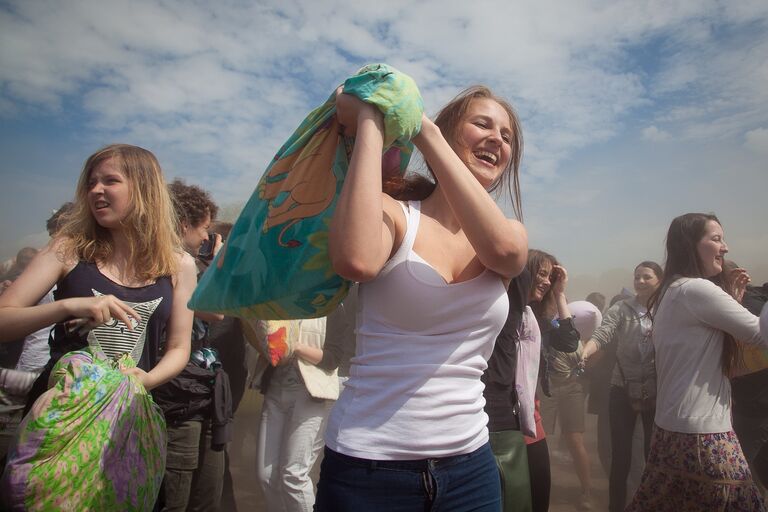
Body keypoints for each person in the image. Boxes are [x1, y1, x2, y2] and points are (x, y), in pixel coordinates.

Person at [314, 85, 528, 511]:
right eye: (483, 124)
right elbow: (355, 260)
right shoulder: (395, 214)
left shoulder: (509, 234)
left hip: (472, 468)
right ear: (448, 136)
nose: (497, 140)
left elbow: (505, 253)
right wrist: (373, 120)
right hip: (368, 467)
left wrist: (420, 126)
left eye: (507, 137)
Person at [0, 143, 196, 405]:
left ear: (145, 189)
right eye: (91, 183)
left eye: (110, 181)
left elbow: (179, 347)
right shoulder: (68, 249)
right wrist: (68, 306)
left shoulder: (180, 264)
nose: (95, 190)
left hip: (127, 417)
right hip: (60, 418)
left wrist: (146, 379)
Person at [626, 213, 768, 511]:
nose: (725, 247)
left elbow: (721, 364)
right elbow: (762, 335)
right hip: (706, 439)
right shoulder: (696, 289)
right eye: (716, 239)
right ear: (691, 245)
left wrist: (733, 304)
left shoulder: (671, 291)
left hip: (670, 434)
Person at [581, 261, 663, 512]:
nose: (639, 281)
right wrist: (587, 351)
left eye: (646, 277)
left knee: (654, 457)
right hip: (622, 388)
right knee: (621, 457)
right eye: (637, 277)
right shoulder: (621, 308)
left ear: (659, 280)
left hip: (656, 391)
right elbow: (603, 333)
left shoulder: (667, 308)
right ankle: (616, 507)